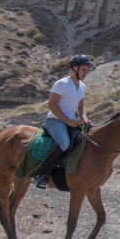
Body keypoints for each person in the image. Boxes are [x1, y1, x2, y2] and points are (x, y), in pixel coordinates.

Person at [31, 54, 93, 188]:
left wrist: (84, 119)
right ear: (75, 68)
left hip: (70, 121)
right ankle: (39, 174)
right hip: (55, 121)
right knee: (64, 143)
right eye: (83, 70)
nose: (86, 73)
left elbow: (81, 106)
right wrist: (68, 121)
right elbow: (52, 105)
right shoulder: (61, 84)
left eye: (87, 70)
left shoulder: (82, 87)